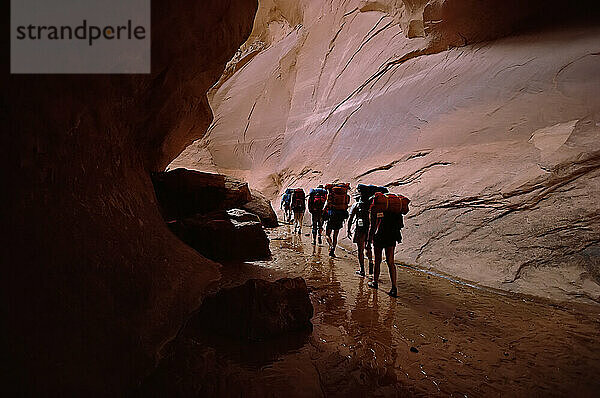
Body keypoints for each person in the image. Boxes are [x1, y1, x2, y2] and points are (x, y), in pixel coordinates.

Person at [367, 210, 403, 297]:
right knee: (390, 262)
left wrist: (369, 240)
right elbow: (401, 225)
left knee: (377, 260)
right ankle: (394, 288)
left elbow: (372, 226)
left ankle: (375, 282)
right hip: (391, 237)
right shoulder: (395, 210)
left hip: (379, 237)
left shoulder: (377, 208)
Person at [347, 194, 373, 276]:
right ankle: (371, 263)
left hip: (360, 229)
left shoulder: (356, 205)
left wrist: (348, 229)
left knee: (360, 249)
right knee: (368, 247)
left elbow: (350, 218)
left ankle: (362, 270)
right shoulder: (371, 205)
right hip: (369, 228)